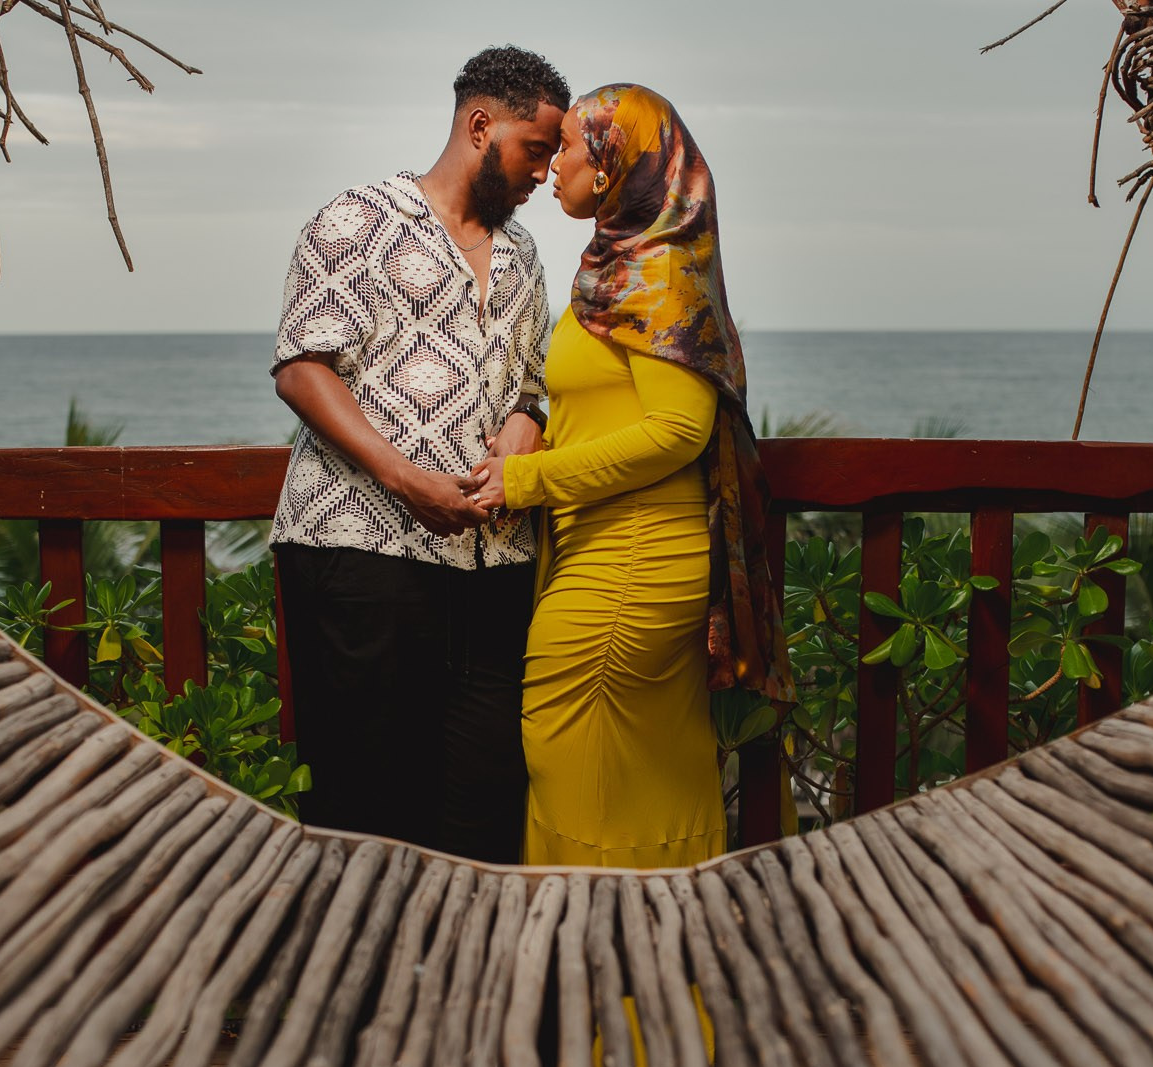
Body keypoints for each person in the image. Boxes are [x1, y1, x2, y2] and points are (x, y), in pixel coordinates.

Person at [467, 84, 793, 868]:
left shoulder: (661, 273)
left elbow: (678, 432)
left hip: (632, 568)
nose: (554, 169)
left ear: (612, 165)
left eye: (571, 149)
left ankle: (602, 976)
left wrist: (524, 483)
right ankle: (652, 981)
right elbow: (604, 410)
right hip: (603, 557)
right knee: (635, 784)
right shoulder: (619, 270)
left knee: (569, 768)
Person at [269, 46, 569, 862]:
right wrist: (407, 482)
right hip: (363, 552)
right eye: (535, 149)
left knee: (486, 802)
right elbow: (302, 368)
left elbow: (532, 385)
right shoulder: (356, 219)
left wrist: (526, 422)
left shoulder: (525, 257)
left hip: (496, 563)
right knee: (365, 803)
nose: (546, 173)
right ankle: (357, 986)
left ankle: (463, 986)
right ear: (481, 127)